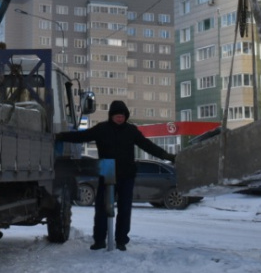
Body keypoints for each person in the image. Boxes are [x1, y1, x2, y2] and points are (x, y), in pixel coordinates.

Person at [55, 100, 176, 251]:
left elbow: (148, 146)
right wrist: (61, 136)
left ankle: (121, 241)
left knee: (125, 210)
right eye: (117, 116)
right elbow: (82, 136)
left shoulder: (131, 131)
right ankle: (99, 241)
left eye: (122, 116)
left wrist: (168, 156)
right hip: (106, 176)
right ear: (111, 116)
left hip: (126, 176)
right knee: (101, 209)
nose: (120, 118)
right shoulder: (102, 129)